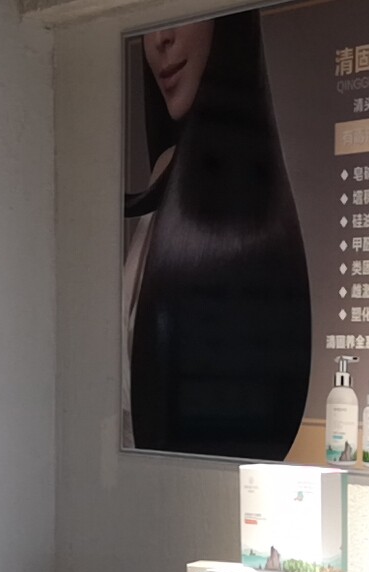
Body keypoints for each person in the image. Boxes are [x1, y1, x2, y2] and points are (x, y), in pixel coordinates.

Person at [123, 12, 310, 460]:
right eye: (148, 17)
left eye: (179, 9)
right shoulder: (166, 168)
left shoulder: (258, 205)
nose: (160, 39)